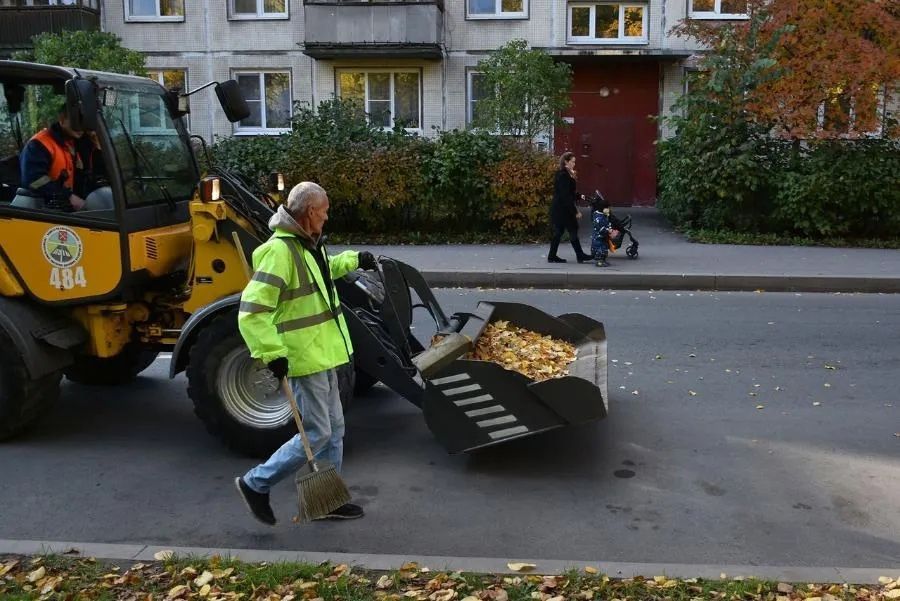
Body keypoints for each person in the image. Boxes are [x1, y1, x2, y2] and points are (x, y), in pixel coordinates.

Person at [234, 181, 378, 526]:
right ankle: (255, 483)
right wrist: (272, 353)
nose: (327, 218)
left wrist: (355, 259)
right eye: (324, 212)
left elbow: (322, 273)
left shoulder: (307, 245)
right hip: (303, 356)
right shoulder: (280, 252)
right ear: (311, 212)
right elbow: (252, 310)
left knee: (335, 429)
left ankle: (327, 501)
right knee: (317, 434)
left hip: (323, 350)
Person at [11, 105, 105, 212]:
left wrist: (97, 144)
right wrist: (67, 196)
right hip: (46, 211)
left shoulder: (79, 143)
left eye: (84, 123)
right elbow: (34, 181)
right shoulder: (40, 144)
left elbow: (97, 175)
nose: (81, 128)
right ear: (62, 119)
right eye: (77, 122)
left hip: (73, 211)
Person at [548, 151, 591, 264]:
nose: (574, 164)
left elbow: (569, 192)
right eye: (573, 161)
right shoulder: (563, 175)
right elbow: (565, 196)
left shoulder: (564, 174)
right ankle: (580, 255)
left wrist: (580, 196)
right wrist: (575, 211)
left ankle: (552, 256)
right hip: (563, 209)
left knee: (559, 232)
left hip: (560, 208)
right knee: (572, 229)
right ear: (566, 162)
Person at [590, 195, 619, 268]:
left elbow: (606, 224)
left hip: (603, 238)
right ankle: (599, 262)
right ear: (604, 208)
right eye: (608, 208)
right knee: (600, 251)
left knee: (604, 250)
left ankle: (603, 260)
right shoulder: (599, 218)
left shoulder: (603, 215)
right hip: (599, 238)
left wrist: (609, 228)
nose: (609, 209)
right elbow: (601, 229)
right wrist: (609, 231)